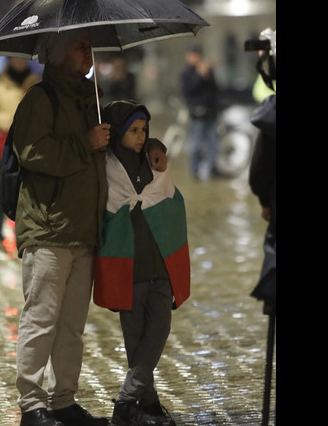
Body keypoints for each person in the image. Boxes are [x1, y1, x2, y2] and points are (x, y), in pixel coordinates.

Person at [12, 28, 111, 426]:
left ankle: (63, 400)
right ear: (54, 54)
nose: (88, 53)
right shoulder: (41, 99)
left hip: (84, 229)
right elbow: (33, 152)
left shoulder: (91, 100)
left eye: (90, 46)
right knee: (41, 319)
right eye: (80, 46)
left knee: (72, 327)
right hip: (49, 229)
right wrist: (85, 143)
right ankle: (32, 405)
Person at [93, 101, 189, 426]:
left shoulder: (152, 163)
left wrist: (154, 145)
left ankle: (125, 401)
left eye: (143, 130)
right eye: (133, 130)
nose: (140, 136)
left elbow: (169, 201)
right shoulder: (105, 169)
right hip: (129, 271)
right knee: (134, 341)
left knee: (159, 331)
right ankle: (146, 406)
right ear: (117, 132)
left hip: (160, 268)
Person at [0, 56, 39, 250]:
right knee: (1, 188)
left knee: (28, 191)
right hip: (4, 144)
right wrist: (7, 121)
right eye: (16, 58)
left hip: (29, 144)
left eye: (23, 58)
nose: (20, 61)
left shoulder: (35, 82)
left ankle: (24, 234)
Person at [179, 45, 220, 180]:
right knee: (195, 143)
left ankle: (213, 168)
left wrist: (207, 75)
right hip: (196, 113)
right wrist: (199, 75)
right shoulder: (186, 73)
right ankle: (194, 170)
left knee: (213, 141)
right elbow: (189, 91)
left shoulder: (208, 71)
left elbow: (215, 90)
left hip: (210, 112)